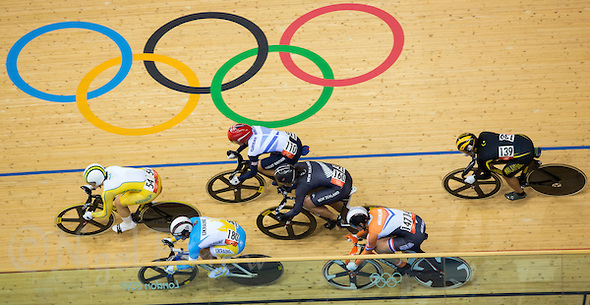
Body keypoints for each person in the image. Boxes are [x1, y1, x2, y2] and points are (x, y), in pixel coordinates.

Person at [344, 206, 428, 275]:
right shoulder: (374, 211)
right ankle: (410, 253)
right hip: (417, 221)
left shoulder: (374, 232)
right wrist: (357, 236)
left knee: (378, 248)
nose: (355, 228)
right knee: (383, 236)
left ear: (361, 224)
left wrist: (355, 265)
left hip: (413, 237)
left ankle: (403, 266)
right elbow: (367, 226)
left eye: (354, 226)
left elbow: (368, 251)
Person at [456, 132, 539, 201]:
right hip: (523, 139)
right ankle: (533, 164)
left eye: (464, 151)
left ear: (470, 149)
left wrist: (474, 177)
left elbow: (487, 175)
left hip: (524, 154)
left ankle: (520, 193)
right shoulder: (483, 135)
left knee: (506, 174)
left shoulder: (483, 157)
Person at [81, 163, 162, 233]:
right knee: (124, 189)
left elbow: (106, 214)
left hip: (150, 191)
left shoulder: (108, 192)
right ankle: (148, 205)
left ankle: (128, 224)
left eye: (91, 183)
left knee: (118, 203)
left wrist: (92, 214)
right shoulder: (110, 168)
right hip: (153, 175)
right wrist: (94, 185)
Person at [273, 161, 353, 229]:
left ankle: (334, 219)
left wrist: (284, 216)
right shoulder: (299, 165)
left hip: (341, 187)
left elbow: (296, 210)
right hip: (344, 175)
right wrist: (288, 188)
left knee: (307, 203)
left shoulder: (302, 186)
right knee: (318, 195)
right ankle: (344, 211)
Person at [162, 216, 246, 279]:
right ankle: (223, 258)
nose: (180, 237)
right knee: (206, 243)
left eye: (179, 236)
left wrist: (173, 267)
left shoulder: (194, 244)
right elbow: (184, 231)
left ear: (186, 233)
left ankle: (222, 270)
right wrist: (172, 239)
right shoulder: (193, 220)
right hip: (238, 229)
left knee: (203, 252)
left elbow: (191, 264)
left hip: (236, 245)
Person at [226, 123, 307, 185]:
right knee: (271, 158)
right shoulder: (254, 128)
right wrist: (237, 152)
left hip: (290, 154)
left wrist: (239, 178)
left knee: (260, 167)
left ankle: (287, 180)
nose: (236, 143)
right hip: (294, 140)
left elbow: (253, 172)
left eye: (236, 141)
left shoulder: (254, 150)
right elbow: (247, 141)